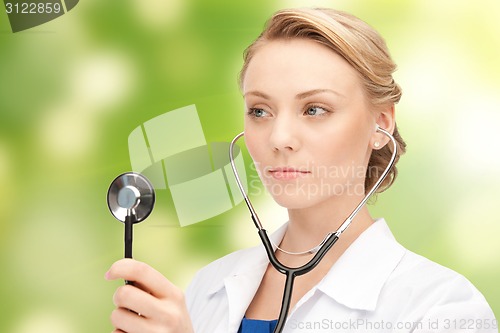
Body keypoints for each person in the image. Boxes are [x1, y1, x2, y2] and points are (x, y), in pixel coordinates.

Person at [105, 8, 497, 333]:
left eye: (314, 109)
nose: (280, 137)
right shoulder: (208, 288)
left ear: (381, 124)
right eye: (260, 111)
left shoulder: (440, 308)